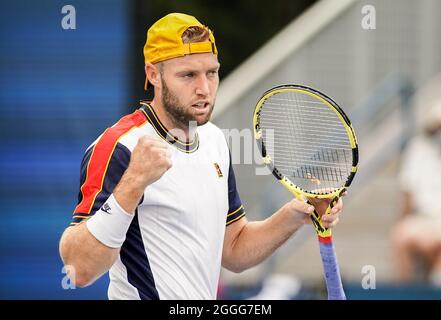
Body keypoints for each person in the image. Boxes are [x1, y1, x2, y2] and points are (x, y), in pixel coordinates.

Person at [59, 13, 344, 300]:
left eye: (211, 72)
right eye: (188, 75)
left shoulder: (215, 139)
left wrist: (295, 214)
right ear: (153, 75)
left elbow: (233, 250)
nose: (204, 88)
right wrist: (133, 182)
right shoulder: (118, 146)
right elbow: (79, 269)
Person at [391, 99, 441, 286]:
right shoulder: (418, 149)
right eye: (437, 127)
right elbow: (407, 192)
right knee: (400, 235)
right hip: (420, 220)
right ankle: (403, 292)